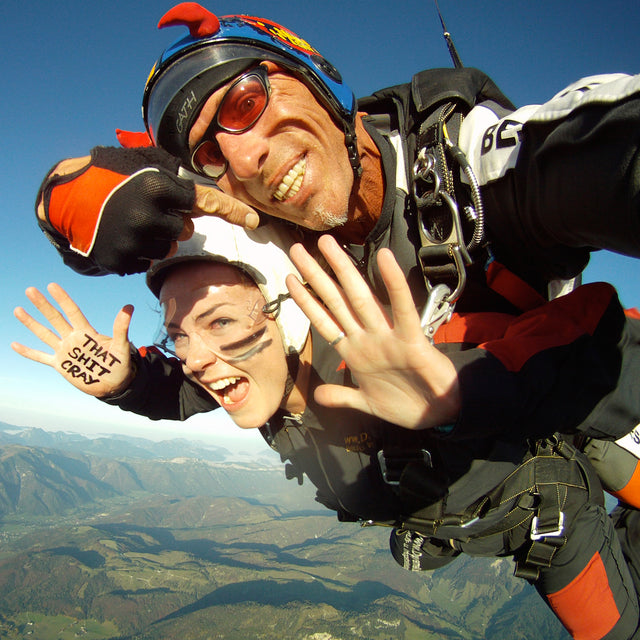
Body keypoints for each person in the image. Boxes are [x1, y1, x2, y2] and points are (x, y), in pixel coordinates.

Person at [33, 4, 640, 495]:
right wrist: (130, 379)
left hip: (565, 458)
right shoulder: (279, 282)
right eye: (211, 156)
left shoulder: (475, 171)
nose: (244, 158)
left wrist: (461, 396)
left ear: (316, 78)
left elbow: (598, 153)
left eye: (246, 101)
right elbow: (208, 377)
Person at [12, 215, 640, 637]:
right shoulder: (259, 378)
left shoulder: (396, 355)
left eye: (222, 323)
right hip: (482, 524)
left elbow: (608, 342)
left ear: (286, 320)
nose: (197, 358)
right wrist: (125, 382)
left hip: (551, 519)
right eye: (177, 334)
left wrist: (461, 396)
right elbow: (179, 387)